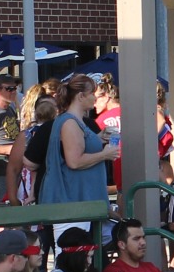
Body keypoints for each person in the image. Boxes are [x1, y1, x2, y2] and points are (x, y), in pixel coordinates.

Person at [36, 76, 115, 233]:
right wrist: (104, 154)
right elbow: (74, 161)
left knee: (88, 253)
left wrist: (99, 138)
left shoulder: (75, 121)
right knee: (76, 253)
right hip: (74, 203)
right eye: (92, 93)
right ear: (81, 96)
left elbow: (80, 145)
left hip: (81, 202)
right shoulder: (70, 122)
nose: (95, 98)